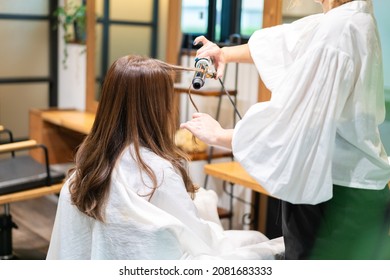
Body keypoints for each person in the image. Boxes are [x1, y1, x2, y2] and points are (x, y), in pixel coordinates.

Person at [181, 0, 390, 259]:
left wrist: (219, 136)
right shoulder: (355, 16)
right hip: (362, 191)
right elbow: (289, 40)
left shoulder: (339, 28)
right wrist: (225, 54)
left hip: (337, 198)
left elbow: (296, 124)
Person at [46, 55, 284, 260]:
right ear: (157, 107)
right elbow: (198, 241)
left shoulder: (86, 168)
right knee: (262, 240)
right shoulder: (158, 172)